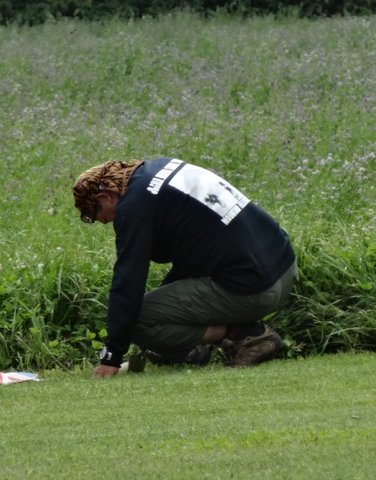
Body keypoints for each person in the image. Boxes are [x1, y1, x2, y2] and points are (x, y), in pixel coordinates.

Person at [72, 157, 297, 378]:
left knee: (137, 320)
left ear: (105, 197)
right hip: (285, 269)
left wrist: (111, 357)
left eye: (106, 218)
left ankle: (245, 335)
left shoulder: (133, 206)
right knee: (153, 307)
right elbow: (191, 254)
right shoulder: (162, 168)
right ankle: (195, 348)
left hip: (255, 290)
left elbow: (128, 282)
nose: (113, 223)